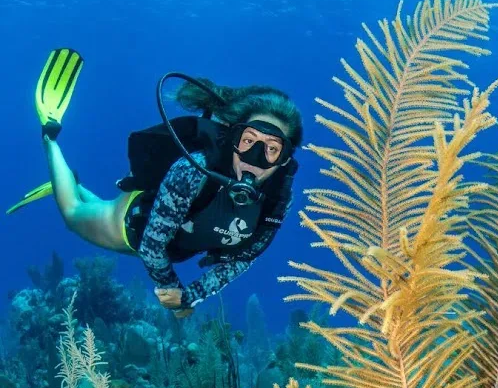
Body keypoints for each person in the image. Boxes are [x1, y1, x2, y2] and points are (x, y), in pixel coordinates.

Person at [10, 48, 303, 319]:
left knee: (86, 201)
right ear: (233, 139)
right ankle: (50, 135)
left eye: (271, 149)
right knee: (72, 214)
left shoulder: (279, 198)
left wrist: (191, 296)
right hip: (129, 225)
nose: (254, 158)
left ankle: (73, 183)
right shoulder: (194, 169)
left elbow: (243, 258)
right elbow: (151, 246)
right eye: (249, 141)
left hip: (177, 244)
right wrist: (174, 294)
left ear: (284, 160)